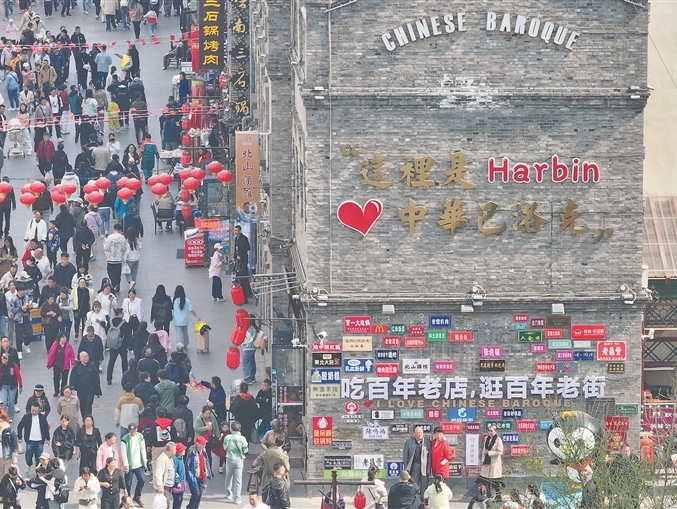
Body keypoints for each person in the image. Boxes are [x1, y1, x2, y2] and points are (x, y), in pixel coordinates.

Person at [17, 403, 50, 477]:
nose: (33, 412)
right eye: (32, 410)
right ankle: (29, 464)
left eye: (35, 411)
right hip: (30, 441)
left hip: (40, 441)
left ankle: (38, 472)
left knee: (39, 458)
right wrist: (19, 437)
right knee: (28, 456)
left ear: (39, 410)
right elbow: (20, 426)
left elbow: (46, 428)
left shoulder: (42, 417)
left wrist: (48, 438)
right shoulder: (26, 417)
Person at [69, 352, 101, 419]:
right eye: (84, 357)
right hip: (81, 391)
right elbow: (73, 378)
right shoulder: (76, 368)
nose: (86, 358)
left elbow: (96, 378)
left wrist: (97, 390)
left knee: (88, 407)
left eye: (87, 357)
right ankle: (84, 419)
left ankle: (88, 420)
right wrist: (72, 387)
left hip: (90, 391)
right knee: (82, 406)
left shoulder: (92, 366)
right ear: (80, 358)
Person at [120, 423, 145, 506]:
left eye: (134, 431)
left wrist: (144, 461)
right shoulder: (125, 439)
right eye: (131, 432)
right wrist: (126, 465)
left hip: (139, 464)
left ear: (137, 429)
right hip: (129, 465)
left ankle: (137, 497)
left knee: (142, 480)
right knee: (128, 484)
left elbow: (143, 449)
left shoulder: (140, 437)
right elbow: (123, 453)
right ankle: (127, 499)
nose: (132, 433)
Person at [477, 425, 504, 501]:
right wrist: (483, 460)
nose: (490, 432)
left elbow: (500, 452)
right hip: (487, 462)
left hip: (494, 463)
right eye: (489, 430)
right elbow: (484, 450)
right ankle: (488, 495)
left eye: (491, 431)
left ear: (496, 431)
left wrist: (489, 453)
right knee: (485, 479)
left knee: (495, 481)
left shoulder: (498, 440)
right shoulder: (487, 438)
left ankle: (498, 496)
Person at [403, 426, 432, 499]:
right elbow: (405, 456)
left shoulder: (427, 442)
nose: (420, 434)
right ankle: (414, 499)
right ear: (414, 434)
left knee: (424, 484)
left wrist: (429, 468)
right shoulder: (409, 442)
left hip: (424, 467)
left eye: (421, 433)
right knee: (414, 483)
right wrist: (406, 469)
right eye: (418, 433)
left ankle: (422, 500)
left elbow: (429, 457)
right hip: (414, 466)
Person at [223, 421, 248, 504]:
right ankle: (237, 498)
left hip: (229, 458)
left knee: (228, 477)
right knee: (238, 480)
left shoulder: (227, 437)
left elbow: (224, 447)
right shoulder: (242, 438)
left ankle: (228, 494)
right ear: (240, 429)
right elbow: (246, 449)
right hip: (239, 460)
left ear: (231, 429)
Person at [185, 436, 211, 509]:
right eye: (203, 443)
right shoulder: (191, 452)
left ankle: (195, 507)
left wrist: (208, 472)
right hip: (194, 476)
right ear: (197, 443)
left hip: (202, 476)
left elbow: (206, 462)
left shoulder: (204, 451)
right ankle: (190, 507)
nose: (204, 445)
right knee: (196, 494)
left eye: (205, 443)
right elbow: (187, 464)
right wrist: (189, 476)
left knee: (200, 494)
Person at [106, 307, 130, 385]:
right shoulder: (124, 323)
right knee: (124, 362)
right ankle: (125, 378)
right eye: (122, 313)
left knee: (111, 362)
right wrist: (128, 345)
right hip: (122, 345)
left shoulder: (110, 322)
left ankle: (109, 378)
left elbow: (107, 331)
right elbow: (128, 335)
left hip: (113, 345)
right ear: (120, 314)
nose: (123, 315)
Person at [9, 283, 32, 356]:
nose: (24, 292)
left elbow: (30, 305)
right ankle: (19, 351)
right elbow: (12, 310)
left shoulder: (27, 297)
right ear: (19, 291)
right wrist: (20, 308)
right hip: (18, 320)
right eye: (23, 291)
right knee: (19, 337)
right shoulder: (14, 299)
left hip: (27, 318)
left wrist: (30, 306)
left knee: (30, 335)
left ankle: (26, 344)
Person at [233, 225, 252, 302]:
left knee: (243, 279)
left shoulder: (244, 239)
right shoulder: (236, 238)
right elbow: (235, 249)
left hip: (243, 261)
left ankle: (245, 297)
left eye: (236, 230)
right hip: (237, 261)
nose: (235, 232)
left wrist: (240, 254)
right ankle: (240, 296)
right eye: (234, 230)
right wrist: (234, 257)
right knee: (238, 279)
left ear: (240, 231)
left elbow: (248, 248)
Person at [0, 352, 20, 422]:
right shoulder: (1, 367)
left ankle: (10, 417)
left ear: (8, 359)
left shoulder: (14, 366)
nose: (3, 359)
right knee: (4, 402)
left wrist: (20, 385)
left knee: (11, 402)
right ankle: (3, 415)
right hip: (3, 386)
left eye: (5, 358)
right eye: (2, 358)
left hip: (12, 386)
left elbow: (18, 375)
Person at [244, 319, 265, 385]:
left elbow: (247, 339)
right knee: (252, 362)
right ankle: (252, 377)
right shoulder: (255, 328)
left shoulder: (250, 329)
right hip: (253, 347)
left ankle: (247, 378)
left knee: (246, 363)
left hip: (248, 347)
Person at [171, 442, 187, 509]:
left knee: (180, 499)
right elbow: (174, 472)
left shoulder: (181, 457)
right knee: (178, 500)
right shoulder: (175, 459)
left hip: (181, 482)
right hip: (177, 483)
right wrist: (177, 482)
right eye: (183, 449)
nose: (184, 450)